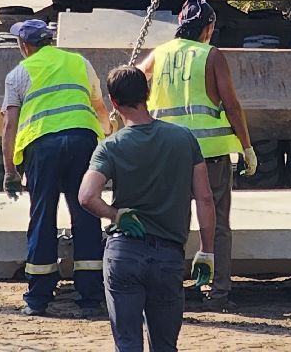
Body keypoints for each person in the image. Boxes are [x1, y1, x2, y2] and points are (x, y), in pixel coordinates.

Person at [79, 66, 217, 352]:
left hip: (125, 254)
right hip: (168, 257)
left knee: (128, 344)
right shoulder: (184, 139)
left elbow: (87, 196)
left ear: (113, 102)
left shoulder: (110, 147)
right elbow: (204, 198)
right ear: (148, 93)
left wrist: (115, 215)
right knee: (165, 345)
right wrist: (207, 251)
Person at [138, 0, 256, 310]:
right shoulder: (211, 55)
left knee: (168, 222)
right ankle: (216, 292)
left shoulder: (159, 54)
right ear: (208, 28)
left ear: (179, 24)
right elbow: (231, 104)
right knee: (215, 224)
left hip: (165, 153)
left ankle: (167, 288)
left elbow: (132, 83)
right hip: (210, 153)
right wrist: (247, 147)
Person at [1, 18, 110, 317]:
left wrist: (9, 170)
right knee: (87, 215)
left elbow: (10, 123)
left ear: (24, 46)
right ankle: (89, 297)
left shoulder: (18, 74)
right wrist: (109, 132)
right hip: (82, 141)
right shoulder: (79, 63)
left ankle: (38, 298)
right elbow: (99, 106)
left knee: (42, 218)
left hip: (42, 148)